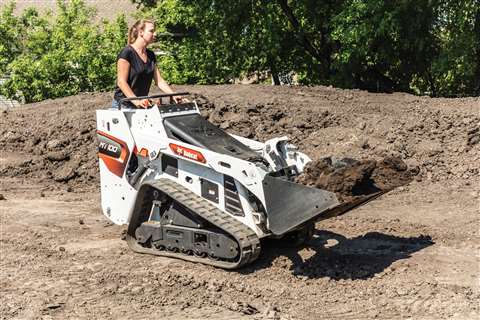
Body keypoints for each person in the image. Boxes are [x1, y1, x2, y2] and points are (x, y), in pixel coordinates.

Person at [113, 19, 180, 109]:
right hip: (124, 106)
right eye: (151, 31)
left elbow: (159, 81)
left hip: (142, 104)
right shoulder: (127, 52)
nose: (155, 34)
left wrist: (173, 94)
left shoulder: (150, 55)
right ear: (141, 32)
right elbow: (121, 82)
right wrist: (136, 101)